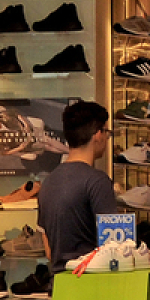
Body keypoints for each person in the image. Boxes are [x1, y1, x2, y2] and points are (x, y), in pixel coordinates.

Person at [37, 100, 117, 272]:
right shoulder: (97, 181)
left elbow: (49, 251)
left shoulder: (49, 181)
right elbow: (113, 247)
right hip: (89, 285)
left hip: (60, 287)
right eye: (107, 133)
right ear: (98, 134)